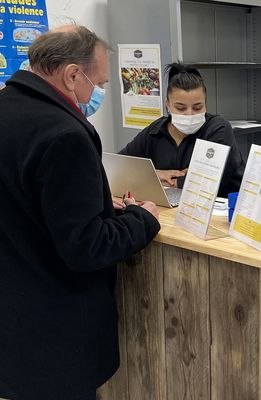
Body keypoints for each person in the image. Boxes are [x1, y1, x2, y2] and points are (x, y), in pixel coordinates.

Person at [0, 26, 161, 400]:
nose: (99, 92)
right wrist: (144, 219)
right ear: (73, 74)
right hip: (54, 330)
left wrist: (97, 201)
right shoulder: (64, 133)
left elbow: (24, 198)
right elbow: (86, 247)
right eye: (100, 81)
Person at [119, 63, 245, 197]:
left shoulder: (217, 128)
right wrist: (156, 174)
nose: (189, 114)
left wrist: (161, 181)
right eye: (180, 108)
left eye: (197, 107)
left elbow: (206, 182)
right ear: (168, 105)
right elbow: (119, 167)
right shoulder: (155, 131)